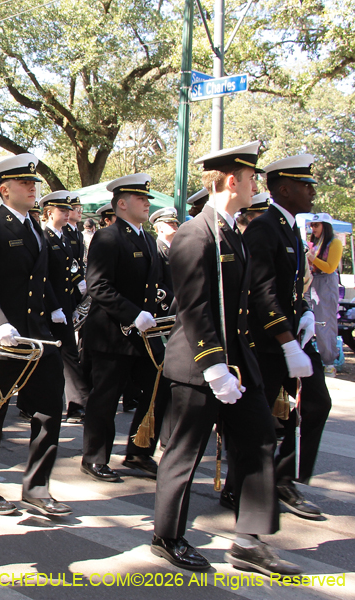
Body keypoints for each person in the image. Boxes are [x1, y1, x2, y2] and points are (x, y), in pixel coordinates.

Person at [152, 142, 300, 576]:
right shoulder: (195, 233)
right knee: (184, 454)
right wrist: (214, 365)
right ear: (232, 181)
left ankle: (248, 539)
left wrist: (288, 339)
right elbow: (194, 306)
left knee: (258, 442)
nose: (257, 186)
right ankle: (168, 536)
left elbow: (248, 300)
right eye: (252, 179)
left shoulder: (234, 231)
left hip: (238, 365)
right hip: (202, 366)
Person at [0, 153, 70, 517]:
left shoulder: (35, 228)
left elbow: (37, 280)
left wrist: (54, 307)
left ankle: (37, 488)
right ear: (4, 190)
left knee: (48, 411)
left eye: (34, 183)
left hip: (37, 337)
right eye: (25, 183)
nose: (33, 188)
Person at [243, 154, 332, 520]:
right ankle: (242, 488)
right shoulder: (265, 228)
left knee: (316, 404)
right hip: (269, 342)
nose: (312, 192)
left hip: (292, 334)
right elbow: (262, 293)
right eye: (305, 185)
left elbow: (292, 288)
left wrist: (306, 313)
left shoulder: (290, 227)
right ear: (284, 189)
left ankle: (283, 477)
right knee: (257, 418)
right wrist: (287, 341)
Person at [81, 173, 173, 482]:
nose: (147, 204)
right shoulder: (108, 237)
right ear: (122, 204)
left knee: (159, 387)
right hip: (112, 334)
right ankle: (94, 457)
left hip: (145, 333)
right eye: (141, 199)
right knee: (106, 398)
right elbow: (98, 286)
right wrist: (133, 314)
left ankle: (139, 450)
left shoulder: (147, 239)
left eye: (147, 199)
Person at [39, 190, 89, 423]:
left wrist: (78, 286)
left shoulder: (64, 237)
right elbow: (43, 277)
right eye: (63, 210)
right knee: (49, 356)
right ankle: (39, 402)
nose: (68, 214)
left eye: (69, 210)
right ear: (49, 213)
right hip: (49, 308)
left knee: (69, 353)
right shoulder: (44, 238)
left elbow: (71, 267)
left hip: (65, 305)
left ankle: (77, 404)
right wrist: (53, 306)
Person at [306, 212, 342, 373]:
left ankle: (329, 363)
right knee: (307, 319)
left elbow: (330, 267)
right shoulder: (313, 243)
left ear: (325, 226)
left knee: (324, 323)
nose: (313, 228)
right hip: (311, 281)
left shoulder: (335, 243)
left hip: (326, 282)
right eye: (311, 225)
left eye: (316, 225)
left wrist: (312, 258)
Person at [150, 207, 180, 291]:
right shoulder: (157, 249)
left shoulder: (176, 249)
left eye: (176, 223)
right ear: (160, 228)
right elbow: (158, 283)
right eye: (171, 223)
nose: (175, 226)